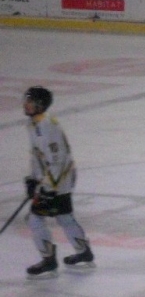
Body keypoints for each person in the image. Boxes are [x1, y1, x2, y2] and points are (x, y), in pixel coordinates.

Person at [22, 86, 94, 279]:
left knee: (35, 218)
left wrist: (48, 187)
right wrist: (32, 179)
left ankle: (48, 259)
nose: (26, 104)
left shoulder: (47, 125)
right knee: (64, 216)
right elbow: (37, 156)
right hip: (55, 179)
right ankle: (83, 251)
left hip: (59, 179)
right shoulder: (33, 125)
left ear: (41, 105)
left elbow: (57, 159)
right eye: (26, 100)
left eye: (31, 101)